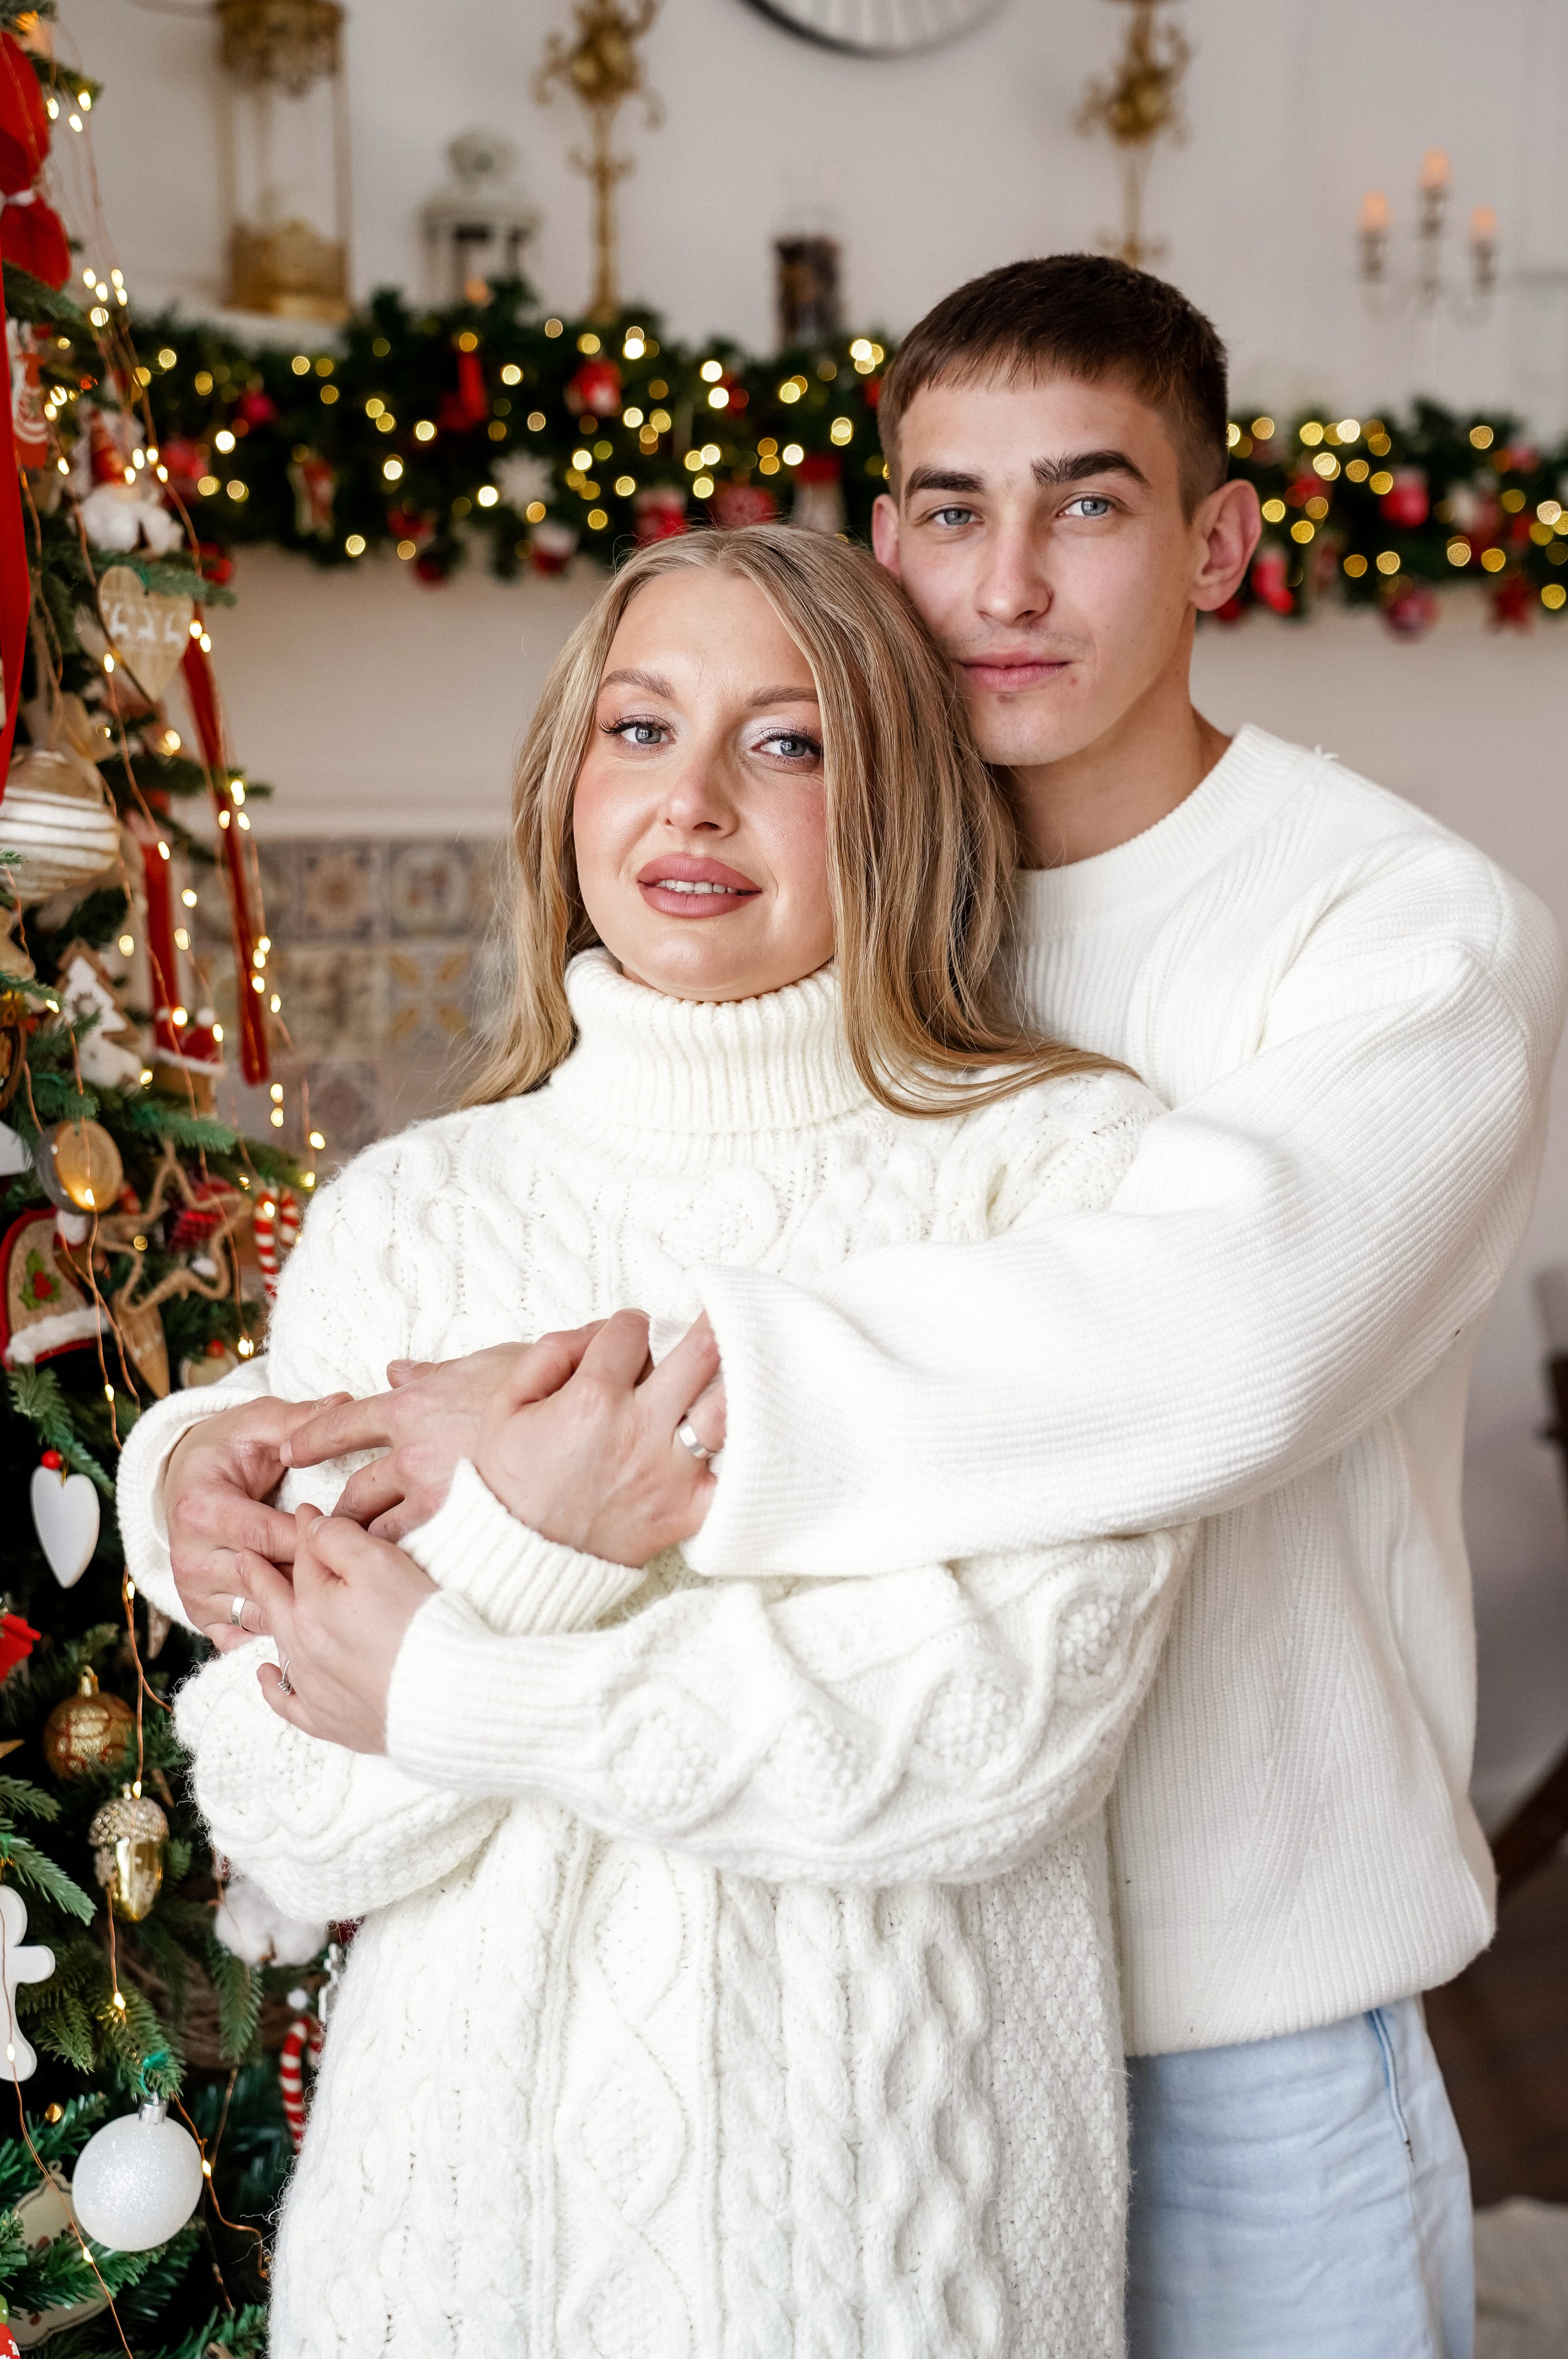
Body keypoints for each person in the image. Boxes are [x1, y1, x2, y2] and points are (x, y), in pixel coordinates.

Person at [132, 255, 1564, 2357]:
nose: (1008, 580)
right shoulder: (853, 863)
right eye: (950, 508)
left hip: (1238, 2022)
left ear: (1221, 540)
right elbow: (533, 1240)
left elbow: (1204, 1343)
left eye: (1087, 503)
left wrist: (550, 1481)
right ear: (887, 543)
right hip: (906, 2047)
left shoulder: (1386, 928)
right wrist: (207, 1455)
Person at [122, 524, 1192, 2354]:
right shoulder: (411, 1215)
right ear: (566, 781)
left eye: (788, 743)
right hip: (449, 2259)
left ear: (902, 800)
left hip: (891, 2264)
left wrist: (459, 1665)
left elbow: (996, 1731)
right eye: (639, 728)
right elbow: (291, 1813)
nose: (692, 799)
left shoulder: (1058, 1175)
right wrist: (543, 1547)